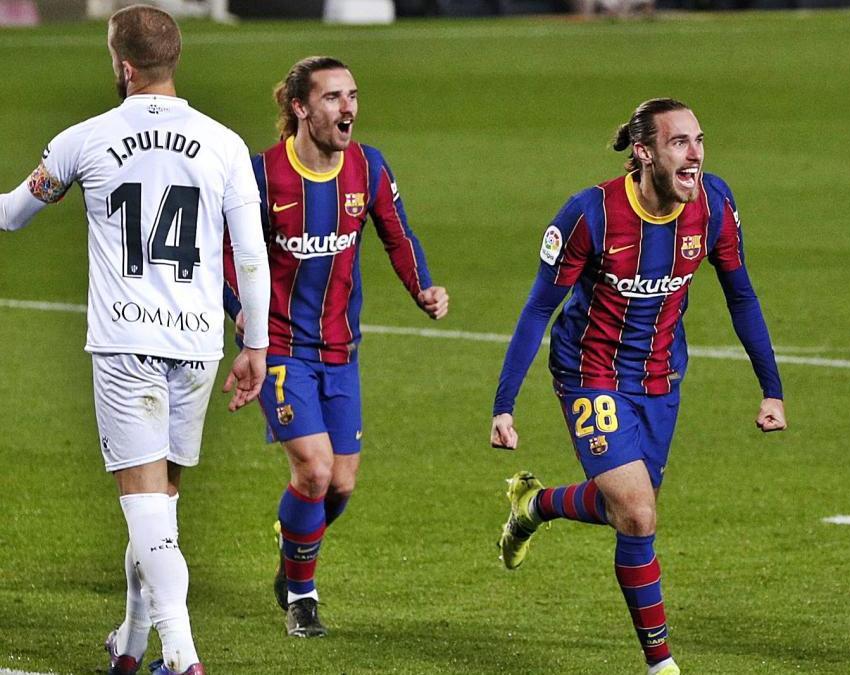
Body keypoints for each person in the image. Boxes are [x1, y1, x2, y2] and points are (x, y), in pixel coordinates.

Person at [0, 6, 270, 675]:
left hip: (127, 345)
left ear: (122, 64)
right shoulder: (225, 144)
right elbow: (253, 257)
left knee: (146, 504)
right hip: (199, 344)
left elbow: (12, 213)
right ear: (171, 59)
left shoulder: (86, 139)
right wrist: (256, 344)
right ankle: (132, 641)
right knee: (160, 505)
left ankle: (182, 656)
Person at [490, 98, 786, 675]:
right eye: (680, 142)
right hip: (590, 371)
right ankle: (661, 663)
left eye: (699, 140)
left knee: (627, 511)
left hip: (661, 376)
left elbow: (741, 296)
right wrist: (504, 403)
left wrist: (770, 388)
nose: (695, 154)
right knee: (638, 512)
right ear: (644, 152)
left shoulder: (715, 205)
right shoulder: (590, 215)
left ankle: (536, 505)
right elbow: (537, 311)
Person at [222, 56, 448, 638]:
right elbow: (226, 254)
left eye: (352, 95)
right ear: (300, 107)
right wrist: (242, 316)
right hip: (281, 347)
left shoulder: (367, 168)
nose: (347, 108)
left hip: (341, 349)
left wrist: (421, 286)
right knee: (316, 471)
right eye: (332, 98)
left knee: (340, 484)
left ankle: (294, 547)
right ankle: (303, 596)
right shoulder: (261, 175)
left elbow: (398, 234)